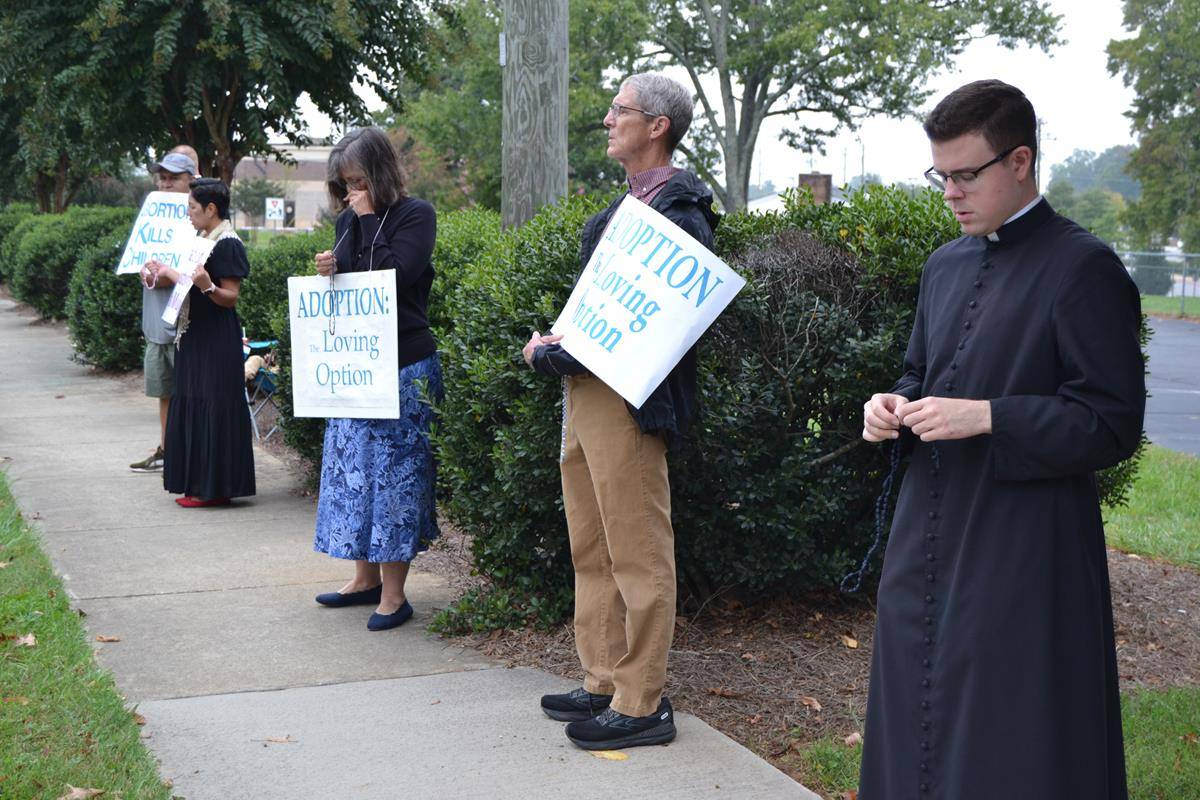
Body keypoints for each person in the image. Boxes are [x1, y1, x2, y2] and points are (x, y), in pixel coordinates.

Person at [858, 80, 1144, 799]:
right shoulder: (944, 265)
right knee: (913, 713)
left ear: (1020, 161)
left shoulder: (1084, 268)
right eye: (940, 175)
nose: (950, 192)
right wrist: (891, 405)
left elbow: (1111, 422)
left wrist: (990, 416)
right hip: (924, 536)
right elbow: (921, 374)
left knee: (1007, 729)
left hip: (1023, 547)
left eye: (965, 174)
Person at [521, 72, 719, 751]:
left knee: (637, 549)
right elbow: (601, 314)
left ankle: (642, 701)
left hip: (631, 402)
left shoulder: (680, 212)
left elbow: (653, 327)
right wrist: (558, 345)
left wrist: (552, 356)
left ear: (657, 126)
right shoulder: (627, 207)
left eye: (620, 110)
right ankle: (603, 676)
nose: (608, 120)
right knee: (591, 543)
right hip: (589, 396)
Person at [310, 127, 440, 632]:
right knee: (353, 474)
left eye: (359, 181)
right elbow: (355, 283)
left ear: (381, 174)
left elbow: (395, 277)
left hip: (405, 367)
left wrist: (368, 221)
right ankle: (362, 578)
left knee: (394, 478)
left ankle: (393, 594)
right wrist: (331, 267)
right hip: (355, 366)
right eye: (344, 184)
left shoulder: (415, 216)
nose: (350, 193)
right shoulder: (348, 220)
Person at [155, 178, 256, 507]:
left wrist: (208, 286)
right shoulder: (202, 238)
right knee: (194, 400)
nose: (189, 215)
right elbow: (188, 282)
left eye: (193, 209)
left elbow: (230, 297)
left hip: (215, 336)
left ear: (212, 209)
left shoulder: (227, 243)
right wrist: (165, 273)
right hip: (194, 333)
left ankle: (214, 488)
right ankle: (197, 482)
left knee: (212, 403)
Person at [129, 146, 199, 472]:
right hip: (156, 323)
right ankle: (166, 450)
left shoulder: (200, 220)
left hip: (187, 326)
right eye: (163, 178)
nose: (166, 184)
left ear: (192, 180)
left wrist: (168, 275)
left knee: (190, 393)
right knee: (164, 392)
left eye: (174, 178)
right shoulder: (154, 215)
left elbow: (199, 273)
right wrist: (146, 272)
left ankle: (190, 455)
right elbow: (140, 261)